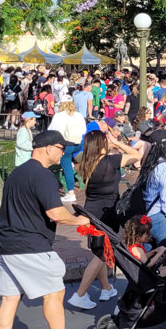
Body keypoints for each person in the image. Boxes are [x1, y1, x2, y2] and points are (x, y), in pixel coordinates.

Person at [0, 130, 96, 329]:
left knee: (9, 298)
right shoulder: (43, 175)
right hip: (29, 246)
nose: (63, 153)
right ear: (48, 148)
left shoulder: (17, 173)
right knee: (54, 293)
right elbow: (55, 213)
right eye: (61, 148)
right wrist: (80, 221)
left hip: (4, 245)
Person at [67, 126, 142, 309]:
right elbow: (137, 155)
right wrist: (117, 143)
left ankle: (106, 288)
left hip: (91, 210)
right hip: (108, 212)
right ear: (102, 144)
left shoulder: (84, 161)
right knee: (101, 255)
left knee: (100, 250)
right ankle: (80, 294)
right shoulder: (112, 160)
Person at [48, 96, 87, 202]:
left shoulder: (59, 116)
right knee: (68, 164)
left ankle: (70, 193)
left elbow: (53, 130)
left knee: (67, 169)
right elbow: (84, 130)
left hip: (66, 144)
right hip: (77, 144)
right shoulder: (78, 115)